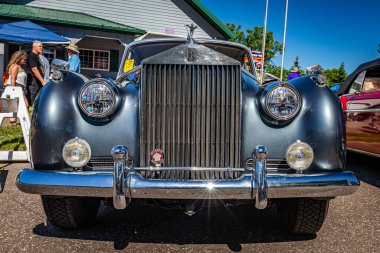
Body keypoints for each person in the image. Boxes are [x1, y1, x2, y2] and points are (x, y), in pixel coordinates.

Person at [5, 50, 28, 124]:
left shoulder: (19, 66)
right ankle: (14, 121)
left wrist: (24, 88)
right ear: (18, 58)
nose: (25, 61)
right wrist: (13, 90)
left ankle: (14, 121)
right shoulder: (15, 66)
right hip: (16, 87)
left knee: (20, 105)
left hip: (20, 87)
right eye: (23, 59)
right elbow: (13, 79)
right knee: (24, 105)